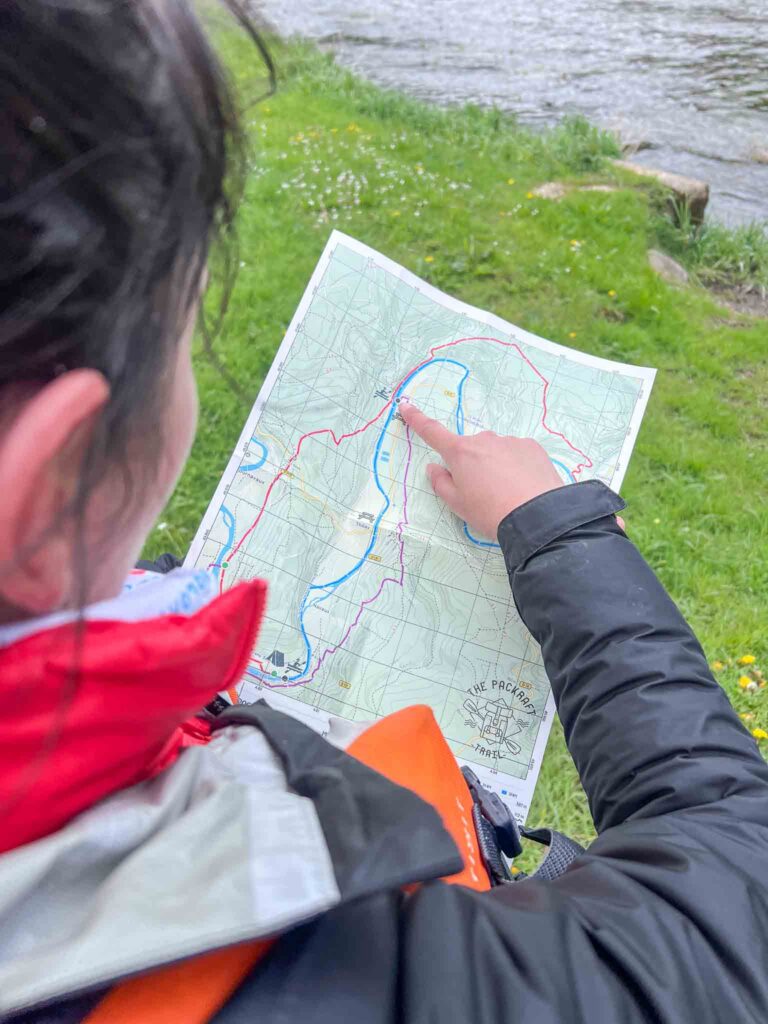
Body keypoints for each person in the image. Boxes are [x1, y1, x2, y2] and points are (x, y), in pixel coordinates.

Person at [1, 2, 767, 1022]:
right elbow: (732, 903)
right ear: (53, 490)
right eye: (184, 328)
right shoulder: (344, 974)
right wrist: (562, 529)